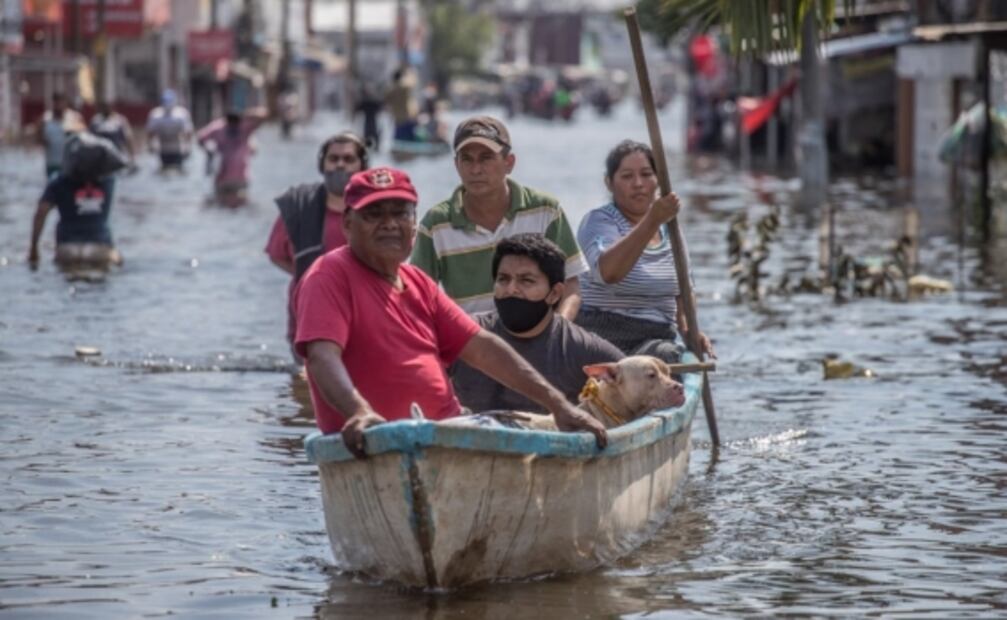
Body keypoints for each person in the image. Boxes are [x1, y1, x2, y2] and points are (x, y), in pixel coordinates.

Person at [294, 167, 607, 458]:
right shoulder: (329, 275)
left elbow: (483, 348)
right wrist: (358, 411)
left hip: (447, 434)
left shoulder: (417, 282)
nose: (389, 223)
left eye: (400, 213)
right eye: (374, 214)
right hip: (378, 443)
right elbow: (321, 357)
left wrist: (558, 405)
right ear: (348, 223)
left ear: (414, 223)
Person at [411, 116, 589, 317]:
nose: (475, 169)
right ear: (456, 164)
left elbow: (571, 286)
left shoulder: (545, 210)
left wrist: (556, 335)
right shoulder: (436, 224)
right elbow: (417, 298)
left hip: (537, 338)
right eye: (467, 159)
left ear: (509, 163)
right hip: (469, 341)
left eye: (486, 158)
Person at [576, 140, 715, 363]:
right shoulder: (598, 221)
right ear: (609, 183)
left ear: (657, 180)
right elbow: (608, 272)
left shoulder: (671, 230)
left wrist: (689, 330)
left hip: (654, 339)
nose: (638, 184)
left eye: (646, 174)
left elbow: (684, 291)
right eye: (627, 176)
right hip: (601, 334)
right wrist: (652, 219)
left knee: (669, 357)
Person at [451, 233, 623, 413]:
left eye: (526, 281)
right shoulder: (465, 333)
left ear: (555, 294)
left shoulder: (580, 348)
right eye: (503, 279)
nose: (511, 289)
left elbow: (638, 384)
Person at [265, 132, 369, 360]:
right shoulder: (299, 207)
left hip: (364, 314)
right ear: (322, 164)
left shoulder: (375, 211)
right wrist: (315, 278)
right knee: (310, 387)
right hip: (308, 315)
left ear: (362, 165)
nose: (340, 164)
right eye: (333, 158)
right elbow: (276, 254)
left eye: (349, 159)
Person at [28, 135, 126, 269]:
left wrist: (34, 248)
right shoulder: (108, 181)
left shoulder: (58, 182)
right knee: (116, 262)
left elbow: (41, 213)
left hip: (67, 249)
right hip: (100, 248)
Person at [196, 106, 267, 202]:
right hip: (223, 177)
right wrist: (209, 152)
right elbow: (200, 138)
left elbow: (262, 114)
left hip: (240, 178)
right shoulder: (218, 127)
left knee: (239, 204)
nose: (233, 126)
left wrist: (245, 115)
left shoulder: (244, 127)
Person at [38, 92, 85, 179]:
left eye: (61, 102)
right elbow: (39, 140)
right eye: (56, 102)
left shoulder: (74, 117)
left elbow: (84, 138)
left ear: (66, 103)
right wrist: (42, 138)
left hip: (70, 164)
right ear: (53, 103)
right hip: (53, 163)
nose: (59, 105)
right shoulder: (45, 119)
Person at [145, 89, 194, 170]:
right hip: (163, 149)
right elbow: (150, 132)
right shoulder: (156, 114)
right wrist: (150, 145)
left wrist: (188, 146)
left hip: (177, 148)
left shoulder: (181, 114)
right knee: (165, 169)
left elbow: (188, 132)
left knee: (176, 169)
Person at [90, 100, 136, 168]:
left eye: (107, 106)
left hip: (118, 155)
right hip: (101, 159)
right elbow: (91, 139)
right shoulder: (96, 120)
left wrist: (132, 157)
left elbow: (128, 138)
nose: (105, 108)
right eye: (103, 107)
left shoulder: (120, 119)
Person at [384, 67, 419, 142]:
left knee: (400, 142)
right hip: (406, 117)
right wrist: (409, 72)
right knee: (409, 142)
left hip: (398, 119)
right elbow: (413, 82)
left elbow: (385, 101)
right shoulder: (404, 88)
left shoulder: (390, 90)